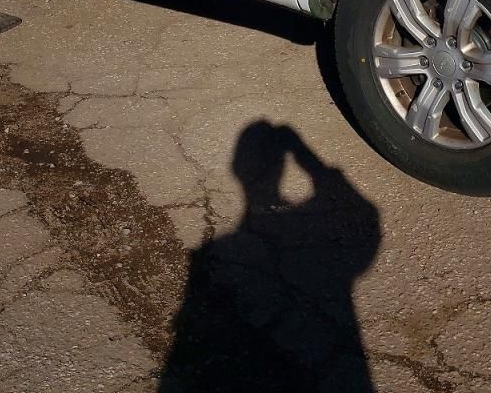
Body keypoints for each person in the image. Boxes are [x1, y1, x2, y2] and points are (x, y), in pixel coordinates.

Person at [160, 120, 381, 392]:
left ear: (237, 170)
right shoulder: (228, 248)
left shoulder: (219, 249)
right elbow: (365, 223)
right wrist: (315, 166)